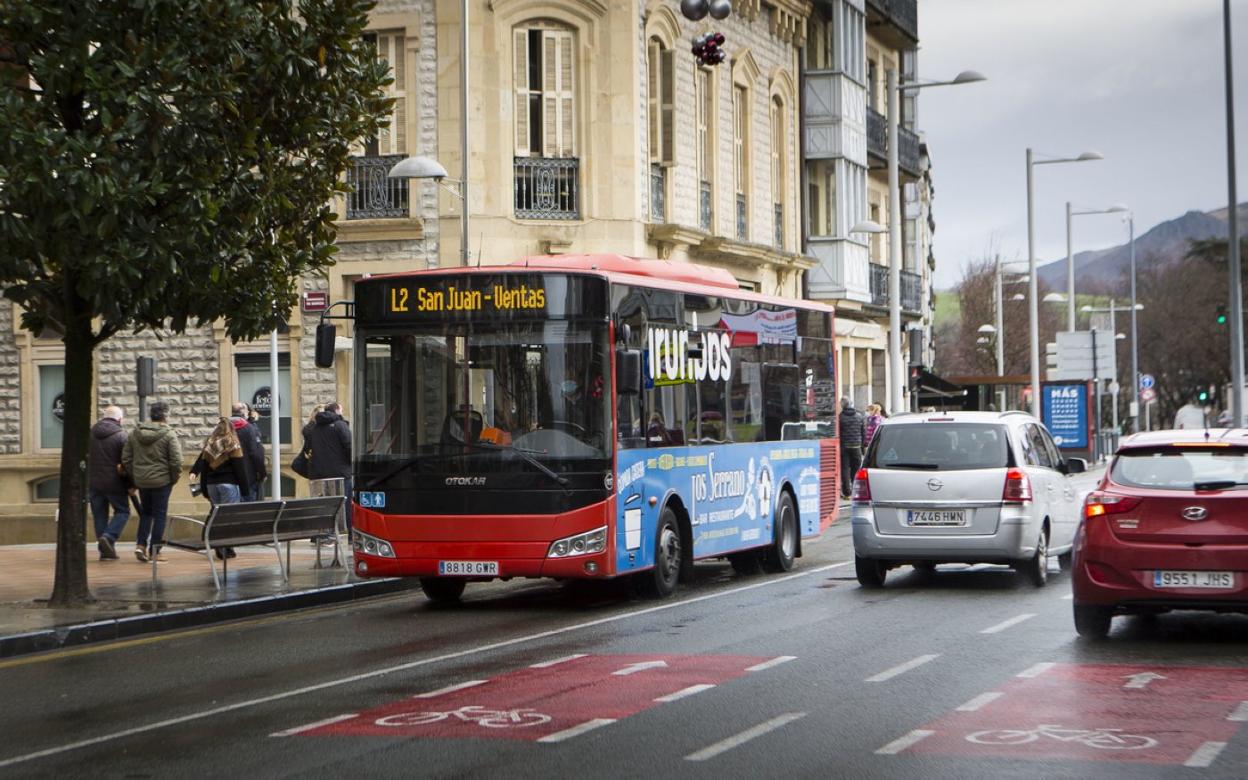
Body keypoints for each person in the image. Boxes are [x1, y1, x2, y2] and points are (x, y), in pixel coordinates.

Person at [121, 401, 182, 562]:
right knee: (160, 515)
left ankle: (140, 545)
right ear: (165, 416)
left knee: (146, 513)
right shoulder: (169, 434)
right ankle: (155, 551)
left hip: (142, 481)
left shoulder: (135, 433)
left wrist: (135, 476)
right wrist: (173, 478)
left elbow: (126, 458)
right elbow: (176, 461)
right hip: (162, 482)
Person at [190, 417, 250, 560]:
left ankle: (225, 547)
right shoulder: (233, 444)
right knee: (228, 518)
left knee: (217, 515)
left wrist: (204, 488)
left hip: (211, 485)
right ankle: (223, 547)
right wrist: (245, 489)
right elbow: (239, 469)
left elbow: (204, 468)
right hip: (228, 484)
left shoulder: (209, 445)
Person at [88, 405, 130, 560]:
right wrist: (130, 484)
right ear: (119, 419)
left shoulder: (90, 434)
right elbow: (126, 462)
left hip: (94, 482)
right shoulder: (121, 435)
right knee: (123, 511)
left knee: (100, 516)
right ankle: (109, 536)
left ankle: (105, 552)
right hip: (114, 482)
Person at [304, 401, 353, 534]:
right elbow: (349, 447)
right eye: (341, 409)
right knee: (347, 505)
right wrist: (351, 465)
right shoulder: (340, 425)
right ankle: (351, 536)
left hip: (320, 474)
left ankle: (327, 534)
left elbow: (308, 449)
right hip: (341, 473)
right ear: (336, 410)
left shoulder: (315, 428)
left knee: (326, 506)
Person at [231, 401, 267, 501]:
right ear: (245, 413)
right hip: (248, 476)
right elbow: (256, 453)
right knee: (249, 509)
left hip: (228, 478)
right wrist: (262, 473)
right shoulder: (249, 428)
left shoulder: (223, 427)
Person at [839, 397, 867, 498]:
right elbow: (864, 432)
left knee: (845, 469)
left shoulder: (840, 417)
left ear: (842, 405)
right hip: (857, 447)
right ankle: (855, 490)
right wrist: (864, 446)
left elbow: (838, 433)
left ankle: (847, 492)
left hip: (844, 447)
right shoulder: (859, 416)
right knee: (856, 469)